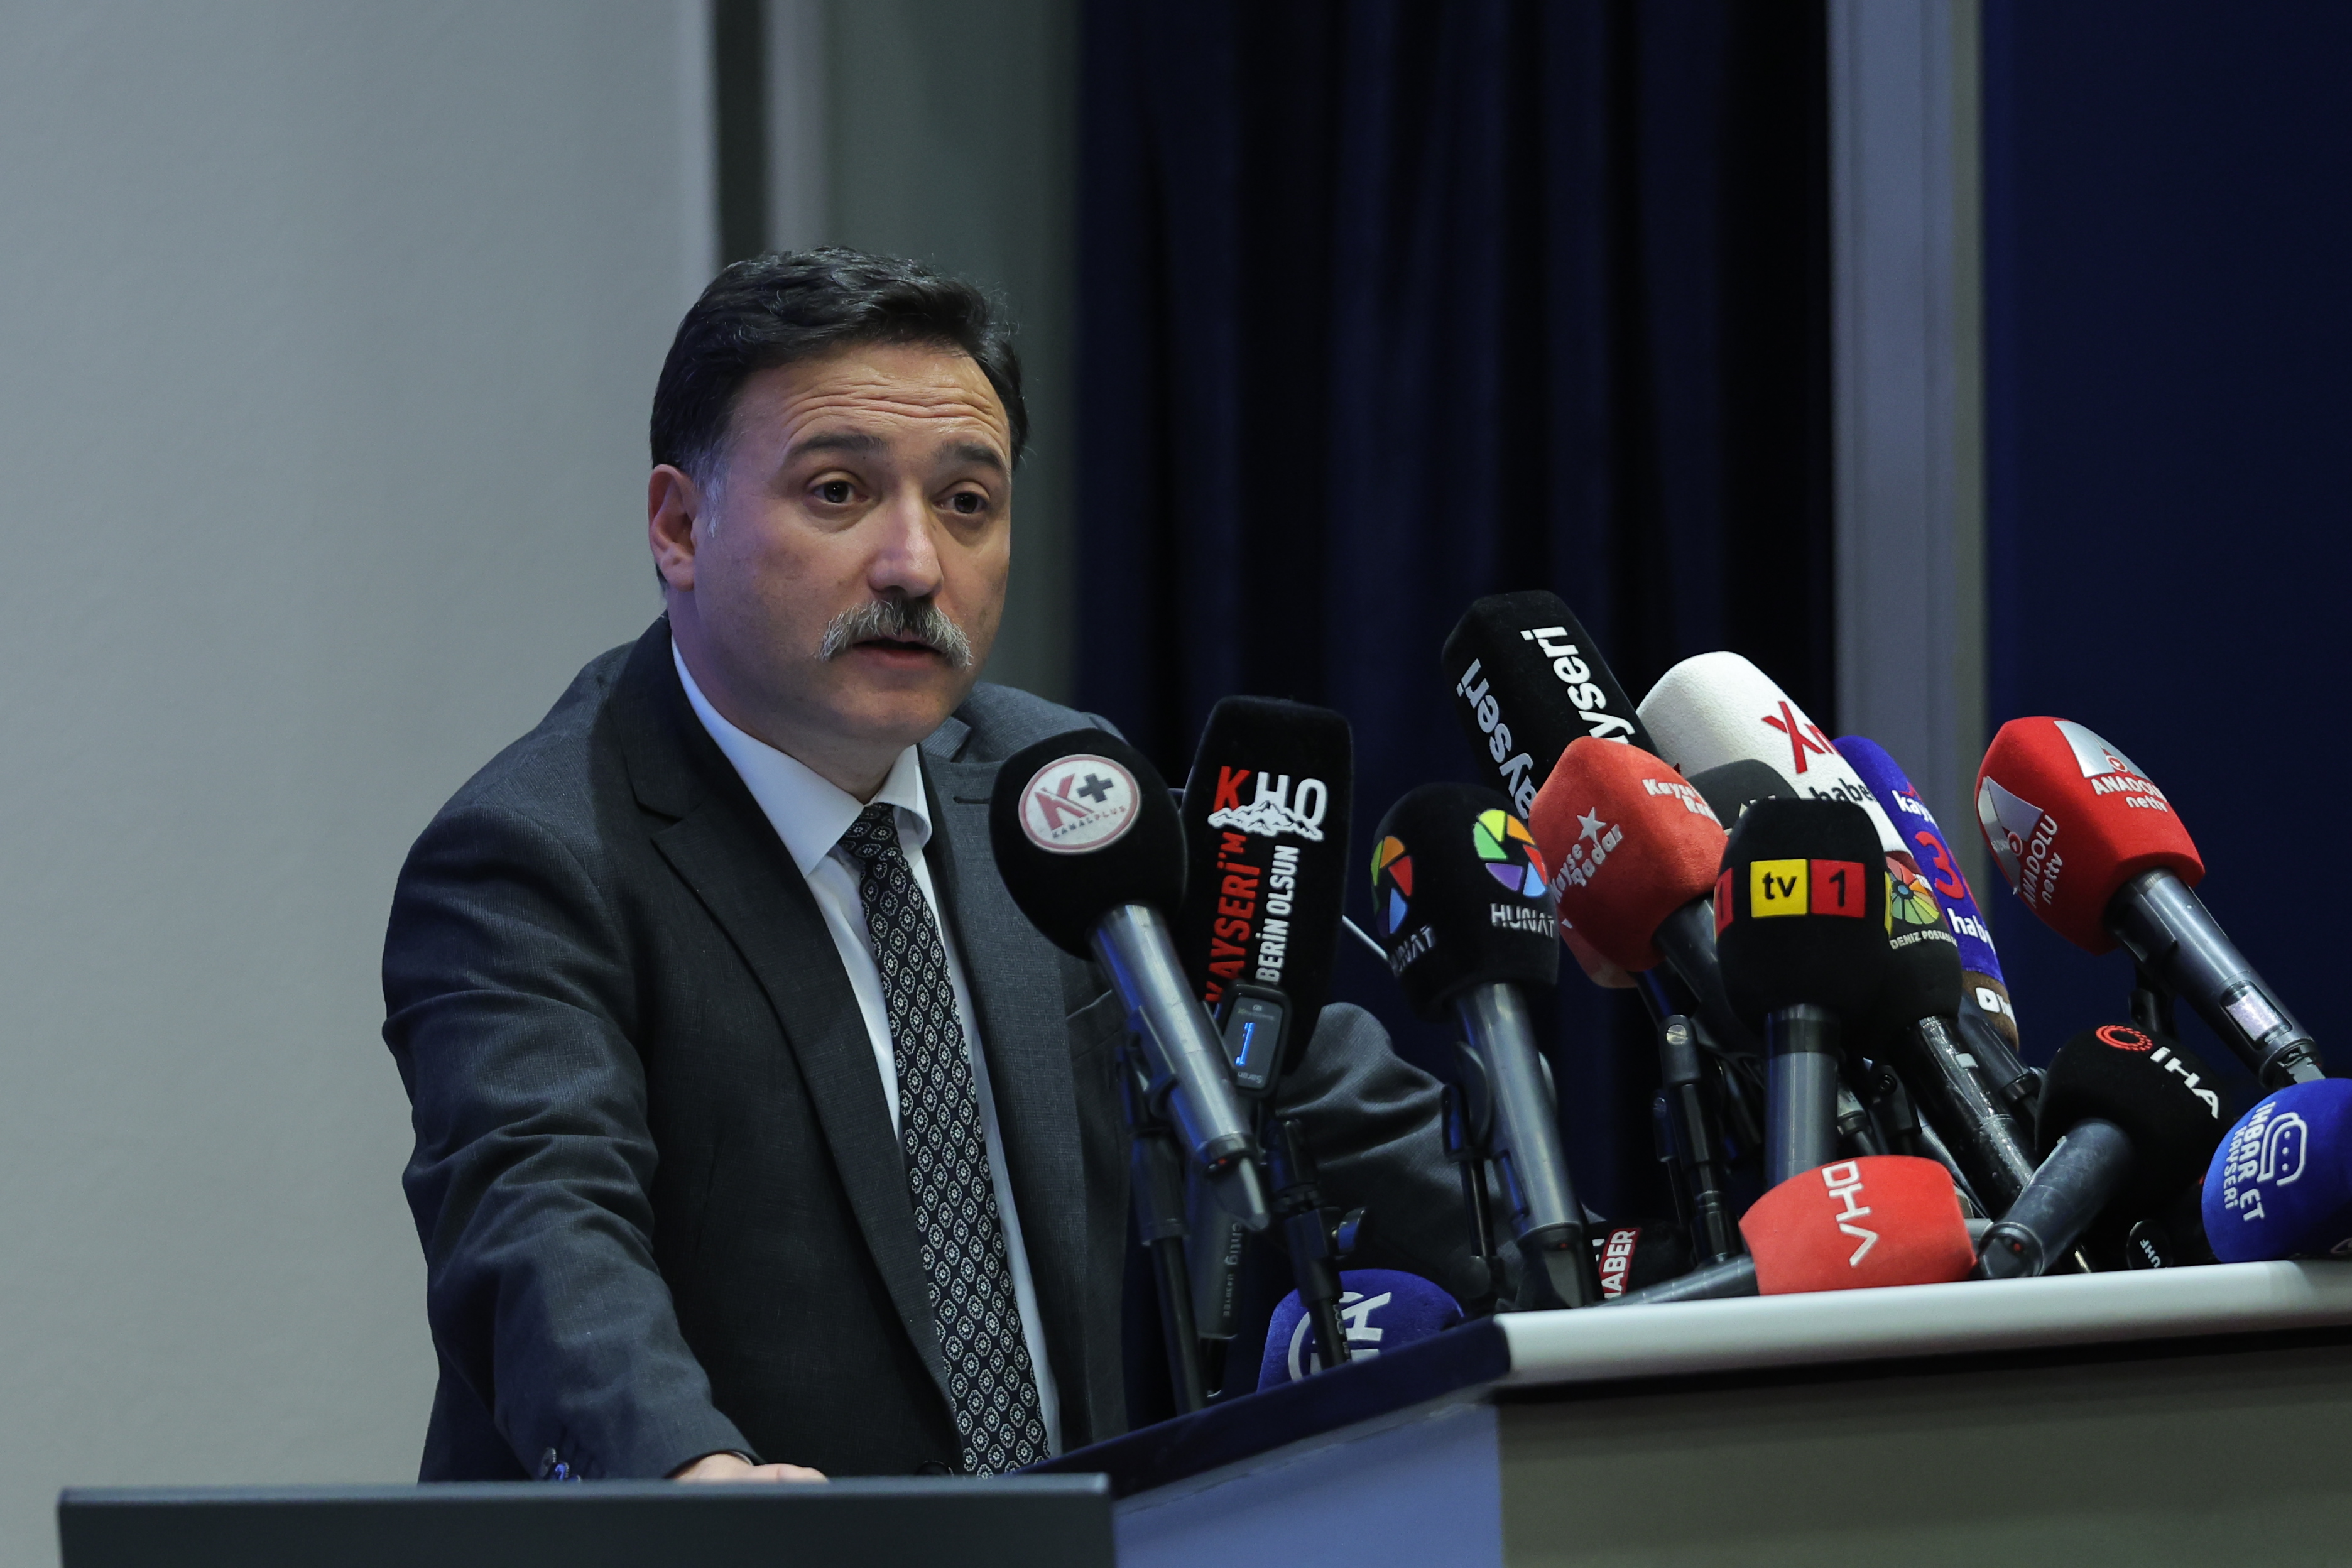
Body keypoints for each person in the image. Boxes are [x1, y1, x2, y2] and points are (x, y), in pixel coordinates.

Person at [383, 249, 1474, 1483]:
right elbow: (537, 1225)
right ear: (680, 528)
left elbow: (1317, 1089)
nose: (915, 566)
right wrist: (684, 1475)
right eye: (839, 492)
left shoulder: (1062, 795)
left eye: (966, 502)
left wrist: (1605, 1286)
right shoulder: (535, 855)